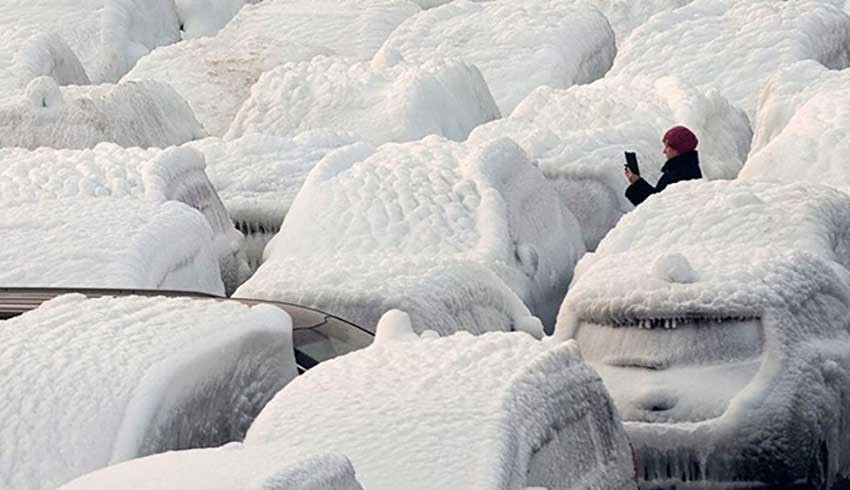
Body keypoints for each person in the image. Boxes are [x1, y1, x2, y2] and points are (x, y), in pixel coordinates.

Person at [624, 125, 702, 206]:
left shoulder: (680, 174)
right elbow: (659, 198)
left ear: (678, 149)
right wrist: (637, 182)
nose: (664, 151)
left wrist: (637, 183)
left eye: (667, 146)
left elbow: (659, 207)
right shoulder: (685, 168)